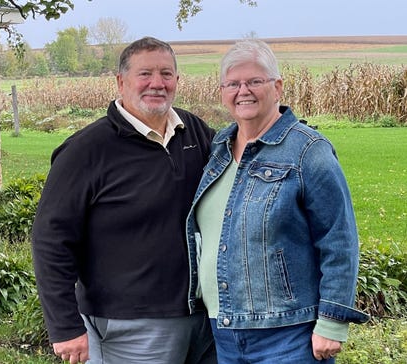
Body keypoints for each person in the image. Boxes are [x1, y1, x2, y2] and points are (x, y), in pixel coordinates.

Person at [31, 36, 217, 364]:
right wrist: (64, 326)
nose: (156, 83)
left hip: (203, 318)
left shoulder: (195, 132)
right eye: (144, 74)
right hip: (129, 325)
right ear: (120, 82)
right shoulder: (87, 150)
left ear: (177, 80)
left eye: (166, 74)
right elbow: (50, 239)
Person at [185, 39, 369, 364]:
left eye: (255, 81)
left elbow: (339, 240)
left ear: (278, 86)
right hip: (223, 330)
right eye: (233, 83)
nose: (244, 90)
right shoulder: (219, 148)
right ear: (222, 92)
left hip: (288, 335)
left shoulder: (309, 151)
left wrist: (331, 322)